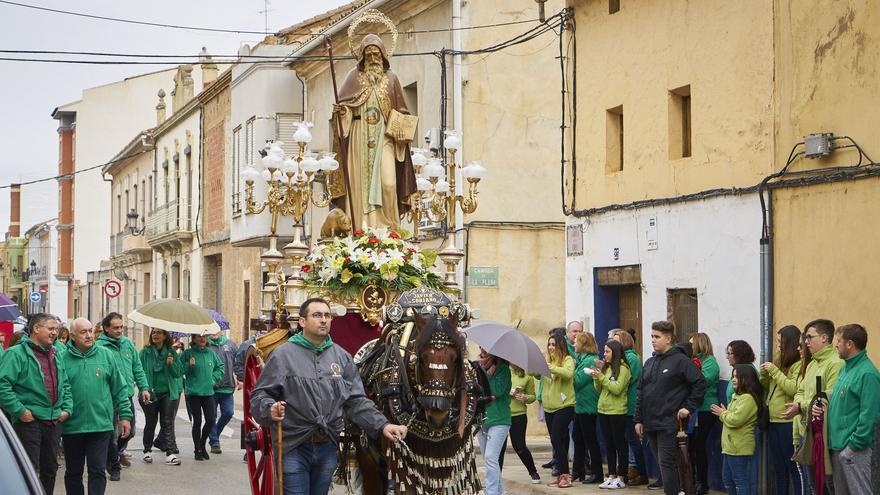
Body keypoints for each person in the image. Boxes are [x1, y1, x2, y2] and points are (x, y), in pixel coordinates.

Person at [250, 298, 407, 495]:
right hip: (293, 446)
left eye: (327, 315)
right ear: (302, 321)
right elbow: (260, 395)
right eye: (317, 315)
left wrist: (383, 425)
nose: (323, 320)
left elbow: (355, 401)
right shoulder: (283, 356)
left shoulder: (341, 357)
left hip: (327, 446)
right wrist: (269, 409)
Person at [329, 34, 417, 230]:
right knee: (359, 183)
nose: (373, 59)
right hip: (359, 136)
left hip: (384, 137)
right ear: (362, 57)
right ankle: (360, 228)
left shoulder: (392, 79)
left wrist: (402, 131)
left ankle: (389, 228)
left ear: (383, 55)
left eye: (376, 54)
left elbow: (402, 111)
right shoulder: (353, 78)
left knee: (388, 183)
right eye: (368, 55)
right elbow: (344, 108)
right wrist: (341, 112)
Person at [0, 313, 73, 494]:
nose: (55, 333)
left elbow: (65, 385)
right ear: (36, 329)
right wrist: (20, 411)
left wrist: (67, 409)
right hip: (29, 422)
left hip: (54, 421)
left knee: (50, 470)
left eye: (56, 329)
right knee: (29, 469)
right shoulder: (16, 354)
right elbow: (2, 385)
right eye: (50, 328)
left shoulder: (57, 354)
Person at [634, 320, 706, 495]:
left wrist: (688, 407)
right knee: (663, 464)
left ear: (668, 339)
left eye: (657, 337)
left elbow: (699, 384)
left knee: (667, 464)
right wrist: (638, 419)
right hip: (650, 422)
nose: (653, 340)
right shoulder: (649, 362)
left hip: (669, 422)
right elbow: (641, 392)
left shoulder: (681, 361)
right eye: (652, 336)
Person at [61, 317, 132, 495]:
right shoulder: (62, 358)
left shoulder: (105, 355)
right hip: (72, 426)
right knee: (74, 473)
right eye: (83, 332)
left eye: (90, 331)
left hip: (100, 426)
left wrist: (125, 416)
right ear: (72, 336)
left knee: (97, 471)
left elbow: (120, 388)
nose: (88, 335)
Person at [814, 324, 880, 495]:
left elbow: (869, 416)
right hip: (838, 447)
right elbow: (840, 397)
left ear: (849, 344)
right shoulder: (845, 369)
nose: (836, 344)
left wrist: (852, 447)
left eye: (839, 340)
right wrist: (821, 401)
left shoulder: (868, 374)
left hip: (853, 451)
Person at [782, 318, 844, 494]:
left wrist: (800, 406)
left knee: (828, 485)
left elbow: (829, 397)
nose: (805, 342)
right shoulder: (812, 364)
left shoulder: (835, 363)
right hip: (807, 431)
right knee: (813, 485)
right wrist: (798, 404)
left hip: (824, 434)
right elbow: (800, 391)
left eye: (809, 337)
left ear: (824, 338)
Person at [95, 312, 151, 480]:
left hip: (126, 396)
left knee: (131, 431)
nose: (119, 330)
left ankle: (114, 453)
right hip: (108, 398)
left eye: (121, 327)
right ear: (106, 328)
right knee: (112, 434)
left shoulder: (128, 344)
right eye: (115, 327)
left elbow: (137, 368)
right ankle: (113, 467)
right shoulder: (100, 347)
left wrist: (144, 388)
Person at [759, 325, 804, 495]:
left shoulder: (799, 364)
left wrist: (775, 372)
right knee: (778, 467)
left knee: (793, 467)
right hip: (773, 420)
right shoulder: (779, 360)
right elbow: (767, 386)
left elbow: (792, 389)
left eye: (780, 341)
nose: (777, 345)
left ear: (790, 342)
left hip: (788, 422)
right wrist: (763, 374)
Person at [711, 364, 762, 495]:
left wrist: (723, 413)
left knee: (740, 481)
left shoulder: (748, 398)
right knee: (727, 479)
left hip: (739, 448)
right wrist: (726, 413)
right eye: (733, 376)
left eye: (737, 377)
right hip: (730, 447)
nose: (734, 379)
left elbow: (735, 420)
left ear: (747, 379)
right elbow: (732, 416)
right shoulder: (738, 396)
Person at [589, 339, 631, 489]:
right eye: (604, 351)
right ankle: (611, 475)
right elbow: (600, 389)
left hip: (617, 411)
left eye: (607, 351)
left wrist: (601, 377)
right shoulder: (607, 369)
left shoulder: (624, 369)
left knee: (619, 444)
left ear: (615, 352)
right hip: (603, 410)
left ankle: (621, 477)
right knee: (608, 444)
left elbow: (617, 389)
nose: (604, 354)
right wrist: (597, 377)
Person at [138, 328, 183, 466]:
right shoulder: (145, 352)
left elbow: (178, 373)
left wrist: (171, 364)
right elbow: (138, 369)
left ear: (165, 336)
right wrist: (143, 388)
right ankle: (147, 450)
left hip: (167, 392)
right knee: (151, 422)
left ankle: (170, 453)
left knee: (167, 422)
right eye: (154, 333)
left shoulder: (171, 352)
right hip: (150, 392)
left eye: (159, 333)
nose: (155, 335)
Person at [612, 329, 648, 486]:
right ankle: (626, 470)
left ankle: (641, 472)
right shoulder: (621, 358)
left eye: (616, 340)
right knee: (625, 440)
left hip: (631, 404)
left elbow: (626, 380)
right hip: (623, 405)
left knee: (633, 441)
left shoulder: (631, 358)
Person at [541, 331, 576, 488]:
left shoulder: (568, 360)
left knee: (556, 438)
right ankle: (561, 473)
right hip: (549, 407)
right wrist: (536, 367)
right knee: (557, 442)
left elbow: (568, 374)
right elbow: (537, 375)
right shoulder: (548, 360)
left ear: (561, 345)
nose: (551, 347)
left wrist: (549, 366)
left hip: (565, 406)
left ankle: (566, 476)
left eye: (553, 344)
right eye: (549, 344)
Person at [181, 334, 224, 460]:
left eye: (205, 337)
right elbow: (178, 370)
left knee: (211, 420)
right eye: (199, 337)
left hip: (208, 392)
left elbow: (220, 367)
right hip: (193, 393)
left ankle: (202, 444)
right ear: (193, 339)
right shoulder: (188, 353)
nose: (202, 339)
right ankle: (197, 449)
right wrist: (189, 365)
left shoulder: (211, 353)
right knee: (197, 422)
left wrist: (213, 379)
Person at [687, 332, 720, 495]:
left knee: (699, 447)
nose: (689, 346)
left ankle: (702, 482)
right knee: (691, 446)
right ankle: (691, 479)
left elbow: (700, 381)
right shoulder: (692, 361)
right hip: (693, 409)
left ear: (700, 344)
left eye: (691, 343)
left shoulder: (710, 362)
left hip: (706, 409)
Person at [476, 349, 511, 495]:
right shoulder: (477, 367)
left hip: (500, 420)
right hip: (481, 419)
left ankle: (491, 492)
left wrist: (486, 374)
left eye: (485, 348)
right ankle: (500, 492)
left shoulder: (503, 369)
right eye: (481, 348)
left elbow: (496, 391)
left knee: (491, 457)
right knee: (489, 460)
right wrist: (481, 370)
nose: (482, 351)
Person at [572, 332, 603, 484]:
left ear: (583, 344)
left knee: (590, 440)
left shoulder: (589, 361)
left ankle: (597, 472)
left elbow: (578, 382)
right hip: (580, 406)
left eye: (576, 342)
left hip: (588, 406)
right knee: (577, 437)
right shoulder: (581, 359)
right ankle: (578, 470)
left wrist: (570, 369)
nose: (574, 344)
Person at [506, 364, 540, 483]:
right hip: (502, 415)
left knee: (520, 447)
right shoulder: (503, 371)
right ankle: (496, 476)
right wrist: (508, 391)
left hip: (519, 415)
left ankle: (533, 471)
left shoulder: (527, 376)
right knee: (499, 448)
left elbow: (533, 396)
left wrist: (525, 397)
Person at [207, 332, 239, 454]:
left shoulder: (230, 344)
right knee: (212, 416)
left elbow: (237, 362)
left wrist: (240, 378)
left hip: (227, 387)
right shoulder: (206, 345)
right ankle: (215, 442)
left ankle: (215, 434)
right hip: (212, 388)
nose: (214, 332)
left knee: (228, 413)